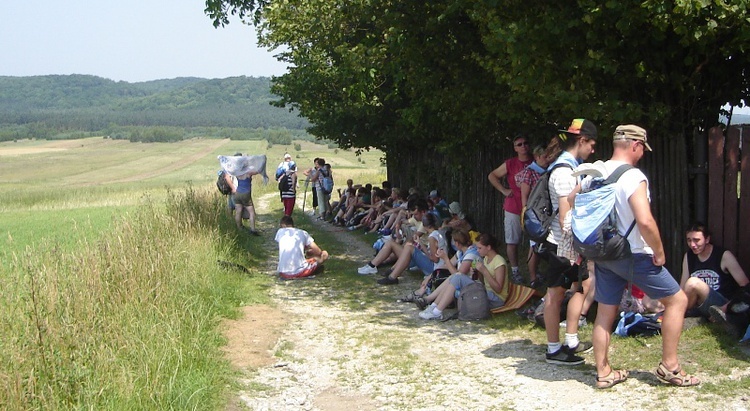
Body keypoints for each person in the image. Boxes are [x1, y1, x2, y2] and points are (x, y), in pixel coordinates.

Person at [579, 124, 699, 388]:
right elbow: (644, 220)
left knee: (605, 313)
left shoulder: (592, 174)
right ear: (635, 145)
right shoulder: (633, 177)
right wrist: (659, 251)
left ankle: (603, 373)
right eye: (642, 148)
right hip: (633, 254)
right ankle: (670, 367)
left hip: (602, 253)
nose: (643, 153)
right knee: (677, 300)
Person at [539, 118, 597, 366]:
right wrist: (575, 248)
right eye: (591, 144)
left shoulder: (571, 166)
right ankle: (554, 349)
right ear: (581, 140)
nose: (593, 150)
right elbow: (565, 216)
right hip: (562, 245)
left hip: (571, 246)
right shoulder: (564, 172)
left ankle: (571, 340)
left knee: (581, 288)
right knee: (555, 295)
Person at [680, 223, 749, 319]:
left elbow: (745, 286)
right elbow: (683, 288)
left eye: (696, 240)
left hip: (720, 304)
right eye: (689, 240)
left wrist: (725, 308)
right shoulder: (689, 256)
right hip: (697, 303)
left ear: (707, 239)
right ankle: (679, 312)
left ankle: (676, 314)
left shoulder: (724, 256)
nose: (692, 245)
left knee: (693, 283)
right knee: (653, 301)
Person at [488, 135, 533, 283]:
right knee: (512, 240)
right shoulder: (510, 164)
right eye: (519, 144)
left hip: (533, 207)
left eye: (526, 143)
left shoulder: (536, 161)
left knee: (535, 241)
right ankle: (515, 270)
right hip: (513, 206)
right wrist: (503, 190)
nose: (523, 146)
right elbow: (492, 175)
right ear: (515, 148)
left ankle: (533, 272)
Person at [417, 229, 485, 320]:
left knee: (454, 277)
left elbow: (459, 275)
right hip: (467, 283)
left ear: (457, 243)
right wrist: (431, 275)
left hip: (474, 287)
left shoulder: (471, 255)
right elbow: (449, 265)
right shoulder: (461, 252)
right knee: (452, 278)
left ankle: (436, 310)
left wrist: (445, 258)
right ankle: (432, 305)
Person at [515, 144, 551, 288]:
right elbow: (525, 196)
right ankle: (532, 277)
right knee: (534, 246)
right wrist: (527, 215)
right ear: (537, 157)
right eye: (544, 156)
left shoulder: (548, 171)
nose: (547, 159)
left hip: (546, 213)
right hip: (534, 214)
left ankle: (538, 273)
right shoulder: (529, 172)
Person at [233, 160, 260, 236]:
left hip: (237, 193)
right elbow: (258, 170)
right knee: (252, 212)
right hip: (246, 193)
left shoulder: (237, 172)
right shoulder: (248, 172)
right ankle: (253, 230)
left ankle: (239, 228)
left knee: (238, 211)